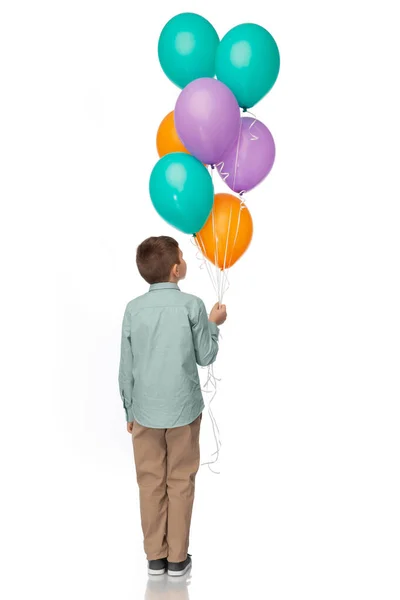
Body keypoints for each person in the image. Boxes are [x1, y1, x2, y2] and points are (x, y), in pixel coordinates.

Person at [118, 236, 227, 577]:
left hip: (145, 413)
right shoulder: (193, 306)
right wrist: (214, 324)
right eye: (183, 255)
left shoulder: (133, 309)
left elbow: (126, 366)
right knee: (180, 481)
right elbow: (205, 355)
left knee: (150, 482)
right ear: (177, 269)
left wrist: (129, 410)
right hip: (183, 411)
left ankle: (155, 558)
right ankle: (178, 559)